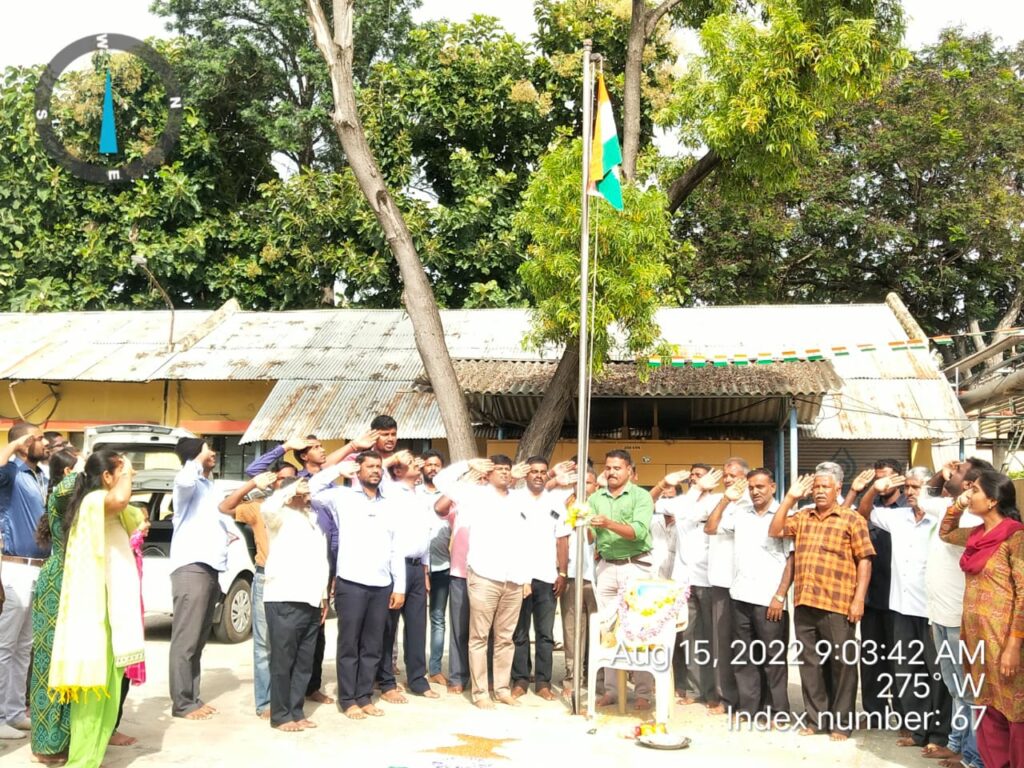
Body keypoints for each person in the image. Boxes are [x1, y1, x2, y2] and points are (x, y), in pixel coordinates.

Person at [49, 450, 143, 768]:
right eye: (121, 470)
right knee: (92, 685)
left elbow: (133, 513)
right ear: (107, 477)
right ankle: (82, 759)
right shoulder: (94, 501)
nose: (129, 473)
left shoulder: (104, 502)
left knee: (109, 683)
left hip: (111, 608)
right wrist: (128, 473)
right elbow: (119, 501)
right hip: (94, 612)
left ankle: (93, 755)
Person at [769, 466, 874, 741]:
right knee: (810, 664)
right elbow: (776, 529)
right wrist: (790, 498)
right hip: (805, 601)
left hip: (839, 604)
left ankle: (841, 724)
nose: (819, 491)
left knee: (843, 664)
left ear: (838, 488)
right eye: (815, 487)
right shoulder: (803, 516)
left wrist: (859, 599)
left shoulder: (852, 519)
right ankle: (816, 719)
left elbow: (865, 559)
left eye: (824, 487)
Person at [859, 467, 952, 752]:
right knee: (907, 671)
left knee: (937, 675)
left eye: (917, 487)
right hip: (902, 609)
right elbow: (862, 513)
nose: (911, 492)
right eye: (908, 487)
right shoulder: (897, 517)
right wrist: (875, 489)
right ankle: (917, 730)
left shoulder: (944, 517)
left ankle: (939, 735)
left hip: (933, 611)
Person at [310, 452, 404, 720]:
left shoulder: (390, 505)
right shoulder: (341, 497)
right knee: (349, 644)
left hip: (382, 584)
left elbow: (397, 547)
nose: (375, 471)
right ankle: (348, 698)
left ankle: (365, 696)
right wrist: (338, 468)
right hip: (351, 583)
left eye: (378, 467)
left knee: (373, 645)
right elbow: (314, 488)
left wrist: (400, 586)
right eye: (370, 467)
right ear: (358, 471)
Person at [940, 470, 1024, 768]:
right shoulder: (977, 535)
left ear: (992, 500)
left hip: (1005, 640)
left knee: (1013, 709)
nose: (968, 494)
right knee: (985, 704)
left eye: (973, 490)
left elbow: (1023, 595)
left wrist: (1014, 645)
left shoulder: (1015, 536)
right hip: (976, 638)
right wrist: (958, 504)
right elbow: (946, 532)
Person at [433, 455, 531, 709]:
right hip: (485, 576)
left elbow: (525, 541)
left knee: (505, 638)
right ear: (487, 474)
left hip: (514, 578)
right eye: (499, 469)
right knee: (479, 637)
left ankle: (501, 688)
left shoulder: (518, 499)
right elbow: (440, 479)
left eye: (507, 470)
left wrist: (526, 577)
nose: (505, 473)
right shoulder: (474, 495)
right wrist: (469, 465)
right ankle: (480, 692)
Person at [705, 468, 792, 717]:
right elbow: (710, 529)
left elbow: (791, 559)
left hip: (769, 600)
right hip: (741, 595)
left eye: (761, 487)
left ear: (773, 487)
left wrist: (780, 596)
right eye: (752, 487)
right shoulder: (741, 513)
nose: (755, 492)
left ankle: (778, 711)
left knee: (773, 659)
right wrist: (726, 499)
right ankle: (749, 708)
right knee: (744, 657)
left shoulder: (785, 514)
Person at [923, 459, 992, 768]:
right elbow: (926, 495)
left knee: (970, 691)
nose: (953, 469)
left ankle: (973, 756)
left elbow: (944, 526)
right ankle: (956, 744)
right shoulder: (951, 508)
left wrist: (948, 487)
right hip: (939, 613)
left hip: (958, 617)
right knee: (955, 689)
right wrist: (940, 473)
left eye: (961, 469)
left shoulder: (969, 519)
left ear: (969, 486)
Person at [260, 478, 330, 731]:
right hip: (284, 597)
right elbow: (267, 507)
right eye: (303, 489)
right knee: (283, 661)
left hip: (311, 598)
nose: (308, 493)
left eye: (308, 489)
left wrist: (323, 596)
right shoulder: (279, 515)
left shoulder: (312, 520)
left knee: (304, 662)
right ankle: (280, 715)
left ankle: (296, 711)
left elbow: (321, 561)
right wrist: (289, 489)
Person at [589, 449, 655, 711]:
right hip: (606, 567)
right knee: (608, 629)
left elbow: (638, 533)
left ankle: (642, 692)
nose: (612, 472)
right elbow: (592, 537)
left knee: (638, 628)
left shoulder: (641, 496)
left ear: (629, 470)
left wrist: (607, 523)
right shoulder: (596, 497)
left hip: (635, 566)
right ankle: (612, 690)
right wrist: (580, 523)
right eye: (608, 468)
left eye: (617, 468)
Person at [168, 437, 225, 720]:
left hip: (210, 567)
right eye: (207, 448)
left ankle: (192, 696)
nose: (212, 452)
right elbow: (183, 482)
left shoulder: (208, 486)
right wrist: (195, 458)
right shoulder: (187, 484)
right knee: (186, 640)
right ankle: (182, 704)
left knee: (198, 639)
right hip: (191, 567)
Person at [0, 422, 50, 740]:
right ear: (21, 444)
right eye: (37, 438)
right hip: (14, 566)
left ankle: (15, 712)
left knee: (24, 647)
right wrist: (15, 443)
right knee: (5, 645)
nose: (44, 442)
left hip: (37, 567)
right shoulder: (10, 474)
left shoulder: (38, 475)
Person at [28, 448, 78, 763]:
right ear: (66, 472)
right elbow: (64, 489)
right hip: (55, 585)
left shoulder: (81, 505)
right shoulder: (60, 498)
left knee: (73, 662)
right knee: (49, 662)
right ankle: (45, 744)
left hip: (76, 584)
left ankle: (69, 737)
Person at [219, 470, 282, 719]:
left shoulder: (301, 510)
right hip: (267, 577)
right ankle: (265, 702)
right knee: (264, 644)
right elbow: (225, 507)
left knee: (290, 644)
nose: (284, 483)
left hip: (295, 581)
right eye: (279, 479)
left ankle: (287, 697)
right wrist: (252, 484)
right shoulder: (258, 508)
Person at [376, 456, 439, 702]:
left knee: (416, 626)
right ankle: (386, 681)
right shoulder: (391, 490)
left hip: (416, 568)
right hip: (395, 567)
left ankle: (417, 679)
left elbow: (425, 535)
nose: (417, 463)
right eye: (410, 461)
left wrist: (425, 570)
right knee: (388, 628)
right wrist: (394, 458)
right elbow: (376, 469)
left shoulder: (420, 495)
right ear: (398, 470)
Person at [659, 465, 720, 707]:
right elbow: (666, 507)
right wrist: (695, 490)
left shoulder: (719, 500)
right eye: (692, 477)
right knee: (689, 637)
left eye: (700, 475)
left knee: (713, 638)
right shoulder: (684, 503)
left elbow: (704, 514)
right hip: (685, 581)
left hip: (713, 581)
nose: (695, 479)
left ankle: (716, 692)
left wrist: (703, 492)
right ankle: (695, 690)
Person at [511, 456, 565, 702]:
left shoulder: (556, 502)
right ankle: (520, 679)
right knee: (519, 632)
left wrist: (562, 572)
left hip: (546, 576)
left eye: (543, 472)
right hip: (518, 576)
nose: (538, 475)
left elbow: (561, 538)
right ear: (526, 475)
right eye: (534, 471)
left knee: (545, 634)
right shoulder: (514, 499)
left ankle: (543, 682)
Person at [558, 465, 598, 699]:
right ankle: (572, 677)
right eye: (578, 483)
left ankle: (598, 676)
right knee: (573, 630)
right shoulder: (563, 507)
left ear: (596, 485)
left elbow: (596, 538)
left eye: (588, 483)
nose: (583, 488)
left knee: (599, 629)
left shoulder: (602, 506)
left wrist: (588, 520)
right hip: (572, 575)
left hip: (596, 578)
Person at [421, 451, 450, 686]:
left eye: (437, 465)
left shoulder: (451, 495)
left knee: (438, 618)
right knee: (415, 619)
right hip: (417, 566)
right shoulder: (414, 492)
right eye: (429, 464)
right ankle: (414, 668)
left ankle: (435, 668)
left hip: (443, 565)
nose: (433, 468)